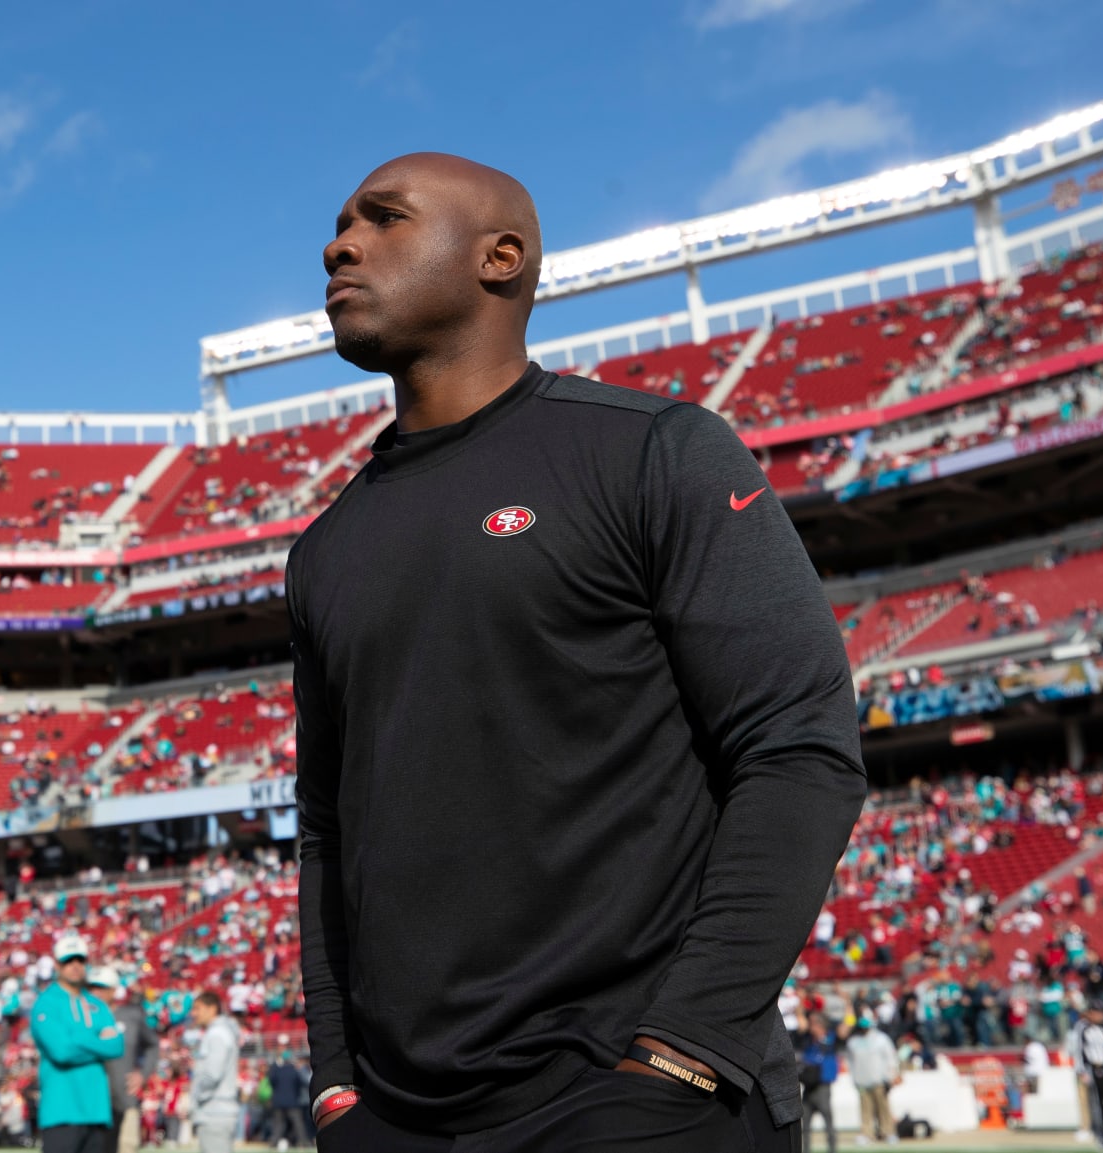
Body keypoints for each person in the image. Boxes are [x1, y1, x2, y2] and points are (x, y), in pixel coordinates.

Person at [292, 152, 865, 1152]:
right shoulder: (325, 547)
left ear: (500, 258)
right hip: (400, 1118)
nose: (339, 244)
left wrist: (685, 1050)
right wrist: (339, 1082)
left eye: (383, 219)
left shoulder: (654, 453)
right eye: (343, 224)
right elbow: (326, 830)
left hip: (638, 1096)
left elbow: (799, 747)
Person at [32, 933, 125, 1153]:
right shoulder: (46, 1004)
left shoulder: (97, 1005)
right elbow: (61, 1052)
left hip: (97, 1111)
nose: (75, 966)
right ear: (57, 965)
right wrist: (95, 1040)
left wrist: (78, 1038)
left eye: (79, 960)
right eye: (68, 961)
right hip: (61, 1112)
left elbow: (116, 1046)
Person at [86, 964, 155, 1153]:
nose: (95, 992)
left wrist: (143, 1073)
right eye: (91, 987)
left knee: (126, 1146)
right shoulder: (82, 1018)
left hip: (125, 1097)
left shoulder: (130, 1015)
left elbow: (152, 1045)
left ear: (114, 990)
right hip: (91, 1101)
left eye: (101, 987)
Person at [188, 991, 241, 1153]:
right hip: (217, 1112)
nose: (193, 1013)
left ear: (212, 1009)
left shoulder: (217, 1034)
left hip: (215, 1113)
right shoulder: (220, 1033)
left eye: (198, 1008)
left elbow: (212, 1075)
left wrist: (198, 1097)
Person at [844, 1017, 899, 1145]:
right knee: (865, 1109)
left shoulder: (881, 1039)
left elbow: (890, 1058)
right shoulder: (854, 1042)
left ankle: (888, 1132)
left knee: (883, 1108)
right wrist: (854, 1078)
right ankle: (867, 1133)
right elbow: (851, 1062)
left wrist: (890, 1076)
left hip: (879, 1080)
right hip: (862, 1080)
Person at [1069, 1007, 1103, 1149]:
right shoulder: (1082, 1028)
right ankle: (1094, 1131)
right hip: (1091, 1068)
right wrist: (1082, 1070)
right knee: (1092, 1102)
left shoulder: (1100, 1028)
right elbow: (1079, 1049)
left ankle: (1098, 1125)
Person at [798, 1016, 840, 1153]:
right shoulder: (809, 1042)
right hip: (809, 1087)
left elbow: (845, 1028)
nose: (811, 1028)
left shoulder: (830, 1040)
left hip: (822, 1086)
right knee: (805, 1125)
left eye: (814, 1025)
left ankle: (832, 1149)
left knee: (828, 1123)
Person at [264, 1053, 309, 1151]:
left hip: (278, 1101)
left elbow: (271, 1081)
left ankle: (273, 1142)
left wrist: (275, 1066)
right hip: (292, 1101)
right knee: (298, 1123)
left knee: (278, 1124)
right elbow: (301, 1083)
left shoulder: (277, 1070)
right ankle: (303, 1142)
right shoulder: (294, 1070)